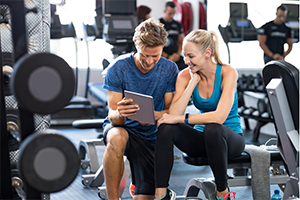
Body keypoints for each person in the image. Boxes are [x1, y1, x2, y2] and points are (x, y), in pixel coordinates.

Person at [154, 29, 245, 200]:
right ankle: (161, 194)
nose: (186, 61)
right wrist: (191, 84)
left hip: (230, 139)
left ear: (207, 53)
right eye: (184, 56)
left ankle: (222, 192)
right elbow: (173, 114)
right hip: (201, 140)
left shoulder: (228, 73)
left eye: (191, 56)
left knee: (213, 128)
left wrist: (182, 119)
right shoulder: (185, 75)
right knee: (166, 127)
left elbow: (219, 117)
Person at [102, 18, 178, 200]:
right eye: (145, 55)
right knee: (118, 137)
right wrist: (120, 113)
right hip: (122, 129)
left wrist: (154, 116)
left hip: (151, 135)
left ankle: (139, 185)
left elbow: (171, 110)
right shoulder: (118, 68)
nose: (150, 61)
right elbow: (112, 115)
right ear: (136, 44)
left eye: (156, 55)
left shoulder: (169, 69)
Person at [159, 1, 187, 71]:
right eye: (170, 13)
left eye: (173, 13)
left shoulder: (178, 25)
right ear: (165, 11)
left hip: (175, 55)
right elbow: (155, 44)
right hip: (162, 56)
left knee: (187, 66)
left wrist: (177, 54)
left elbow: (181, 41)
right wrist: (167, 57)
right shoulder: (158, 24)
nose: (172, 16)